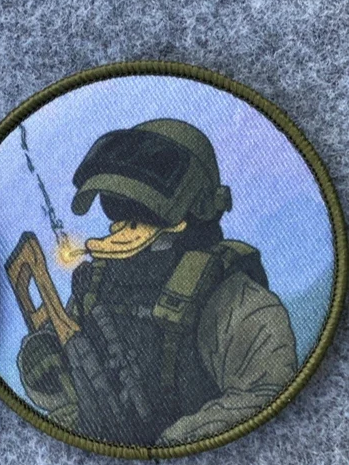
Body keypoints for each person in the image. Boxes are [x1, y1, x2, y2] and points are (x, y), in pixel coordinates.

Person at [15, 119, 298, 446]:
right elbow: (66, 358)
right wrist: (46, 365)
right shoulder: (98, 284)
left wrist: (169, 445)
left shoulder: (235, 300)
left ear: (192, 209)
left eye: (142, 212)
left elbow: (266, 391)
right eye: (117, 208)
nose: (122, 226)